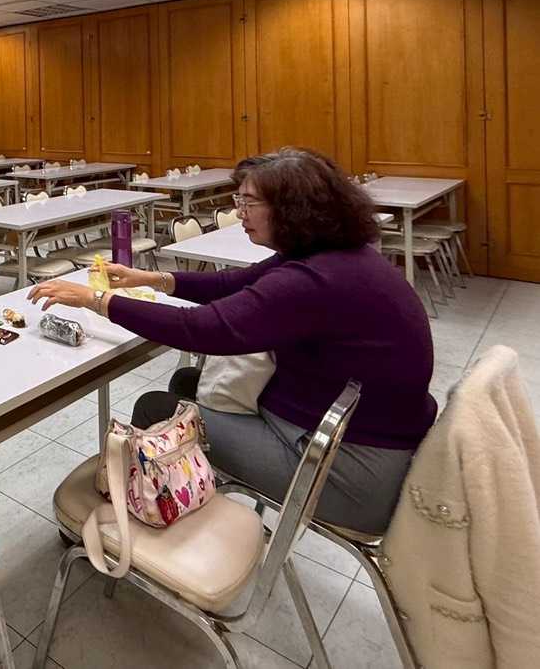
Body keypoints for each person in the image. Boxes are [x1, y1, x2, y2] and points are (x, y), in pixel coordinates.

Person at [29, 147, 435, 534]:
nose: (239, 212)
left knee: (156, 407)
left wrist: (97, 300)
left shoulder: (314, 279)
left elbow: (203, 329)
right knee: (187, 382)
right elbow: (235, 283)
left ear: (292, 209)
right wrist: (151, 279)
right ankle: (183, 485)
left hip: (345, 473)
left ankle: (136, 515)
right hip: (346, 435)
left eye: (248, 202)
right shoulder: (333, 256)